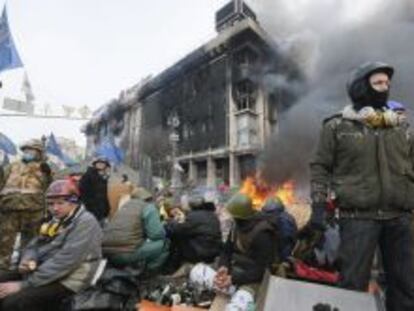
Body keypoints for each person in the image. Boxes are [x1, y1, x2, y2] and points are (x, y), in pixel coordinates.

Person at [310, 61, 414, 310]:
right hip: (358, 219)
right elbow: (320, 166)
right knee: (352, 287)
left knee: (405, 287)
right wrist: (318, 203)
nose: (384, 88)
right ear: (360, 87)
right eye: (378, 83)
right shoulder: (337, 126)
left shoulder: (402, 127)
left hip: (399, 219)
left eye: (387, 83)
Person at [0, 179, 103, 311]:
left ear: (74, 201)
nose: (55, 208)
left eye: (60, 203)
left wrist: (24, 284)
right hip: (43, 272)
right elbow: (34, 244)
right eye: (50, 204)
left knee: (13, 302)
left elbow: (66, 262)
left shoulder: (86, 223)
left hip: (69, 280)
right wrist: (27, 259)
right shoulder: (55, 220)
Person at [189, 193, 279, 311]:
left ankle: (237, 295)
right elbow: (226, 250)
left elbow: (260, 270)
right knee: (196, 271)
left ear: (240, 217)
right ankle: (231, 291)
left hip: (251, 281)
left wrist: (233, 279)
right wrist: (223, 266)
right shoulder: (237, 226)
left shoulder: (263, 234)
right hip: (233, 274)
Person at [0, 139, 52, 271]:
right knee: (5, 240)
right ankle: (2, 267)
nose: (28, 152)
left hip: (33, 210)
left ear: (39, 153)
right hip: (10, 209)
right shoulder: (11, 167)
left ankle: (23, 267)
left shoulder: (44, 168)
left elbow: (51, 188)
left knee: (30, 242)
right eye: (26, 150)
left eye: (32, 150)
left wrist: (48, 173)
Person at [102, 185, 169, 272]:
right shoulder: (148, 207)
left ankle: (130, 269)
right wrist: (163, 226)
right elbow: (156, 234)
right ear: (148, 198)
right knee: (164, 243)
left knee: (138, 242)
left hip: (106, 252)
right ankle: (147, 274)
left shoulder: (124, 207)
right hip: (125, 253)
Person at [164, 195, 222, 273]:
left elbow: (177, 230)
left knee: (177, 238)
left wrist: (172, 221)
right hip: (214, 250)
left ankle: (170, 268)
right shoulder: (212, 214)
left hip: (203, 253)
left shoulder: (193, 216)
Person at [78, 156, 111, 223]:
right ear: (95, 164)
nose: (101, 164)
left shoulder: (103, 178)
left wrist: (107, 209)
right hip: (91, 212)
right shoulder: (88, 175)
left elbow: (104, 195)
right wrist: (92, 209)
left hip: (101, 212)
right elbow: (83, 194)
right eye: (99, 163)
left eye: (103, 163)